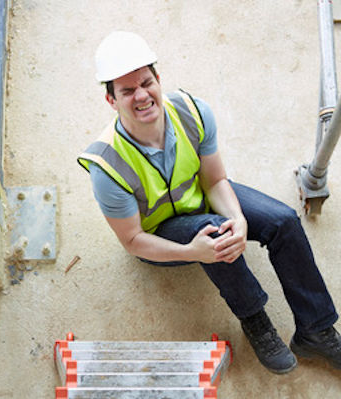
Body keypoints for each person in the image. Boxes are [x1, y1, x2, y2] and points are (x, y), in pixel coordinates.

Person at [78, 31, 341, 374]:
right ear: (111, 101)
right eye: (127, 91)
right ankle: (256, 320)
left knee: (283, 221)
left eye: (146, 82)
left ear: (158, 80)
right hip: (160, 234)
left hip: (202, 199)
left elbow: (215, 180)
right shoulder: (107, 165)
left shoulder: (192, 113)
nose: (141, 96)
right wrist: (192, 252)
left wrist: (239, 218)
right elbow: (132, 241)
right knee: (214, 233)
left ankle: (316, 330)